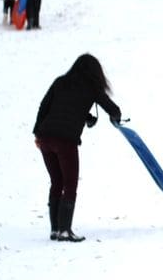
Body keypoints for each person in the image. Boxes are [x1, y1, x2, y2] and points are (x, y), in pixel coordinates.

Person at [33, 54, 121, 242]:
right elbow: (111, 108)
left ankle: (56, 230)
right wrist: (117, 117)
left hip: (45, 137)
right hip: (65, 141)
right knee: (69, 184)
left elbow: (47, 106)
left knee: (56, 181)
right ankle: (65, 231)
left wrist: (37, 133)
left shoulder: (61, 82)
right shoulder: (91, 87)